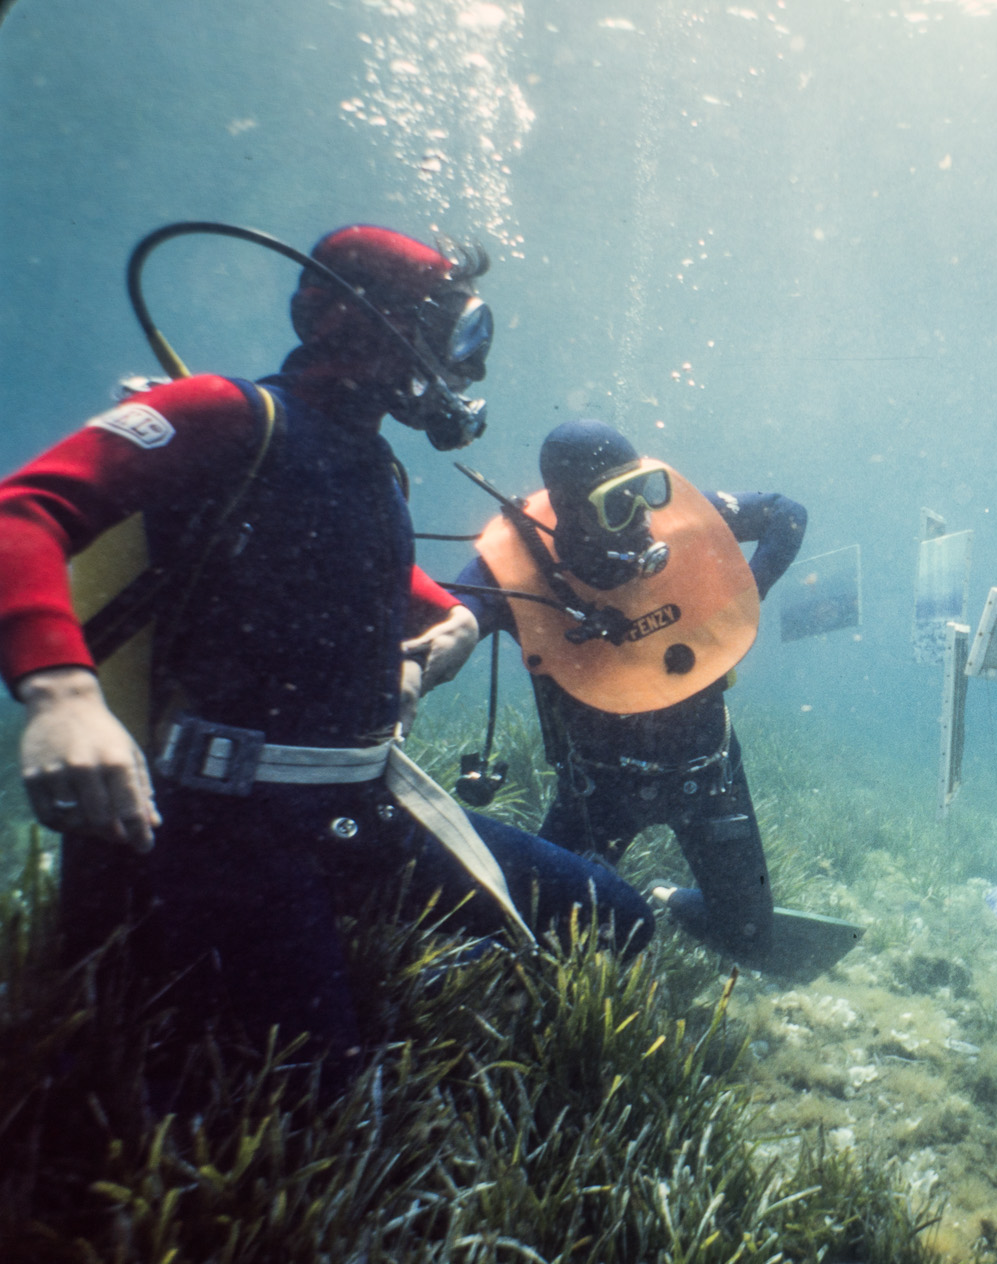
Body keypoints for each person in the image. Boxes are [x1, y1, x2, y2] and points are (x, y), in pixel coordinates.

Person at [0, 224, 654, 1077]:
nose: (471, 366)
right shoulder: (222, 413)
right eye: (460, 332)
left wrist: (444, 627)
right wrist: (62, 696)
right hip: (221, 832)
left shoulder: (375, 466)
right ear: (368, 322)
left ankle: (366, 977)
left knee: (619, 916)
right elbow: (24, 510)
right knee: (319, 1106)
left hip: (361, 810)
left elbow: (375, 580)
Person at [447, 420, 805, 968]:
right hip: (596, 794)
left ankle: (669, 898)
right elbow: (449, 612)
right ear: (567, 510)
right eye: (617, 504)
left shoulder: (683, 524)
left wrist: (743, 595)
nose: (641, 516)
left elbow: (788, 514)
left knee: (749, 939)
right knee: (543, 944)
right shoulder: (515, 567)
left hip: (708, 775)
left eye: (643, 490)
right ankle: (614, 901)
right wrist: (455, 630)